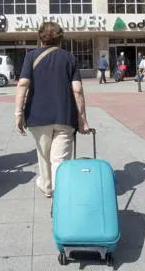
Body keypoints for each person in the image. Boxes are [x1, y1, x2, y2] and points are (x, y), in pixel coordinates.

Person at [14, 22, 92, 198]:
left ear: (40, 37)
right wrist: (83, 120)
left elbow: (23, 84)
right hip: (65, 116)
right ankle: (61, 195)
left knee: (44, 156)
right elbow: (77, 89)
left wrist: (18, 113)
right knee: (60, 160)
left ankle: (48, 188)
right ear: (60, 38)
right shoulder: (69, 57)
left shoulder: (31, 56)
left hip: (37, 116)